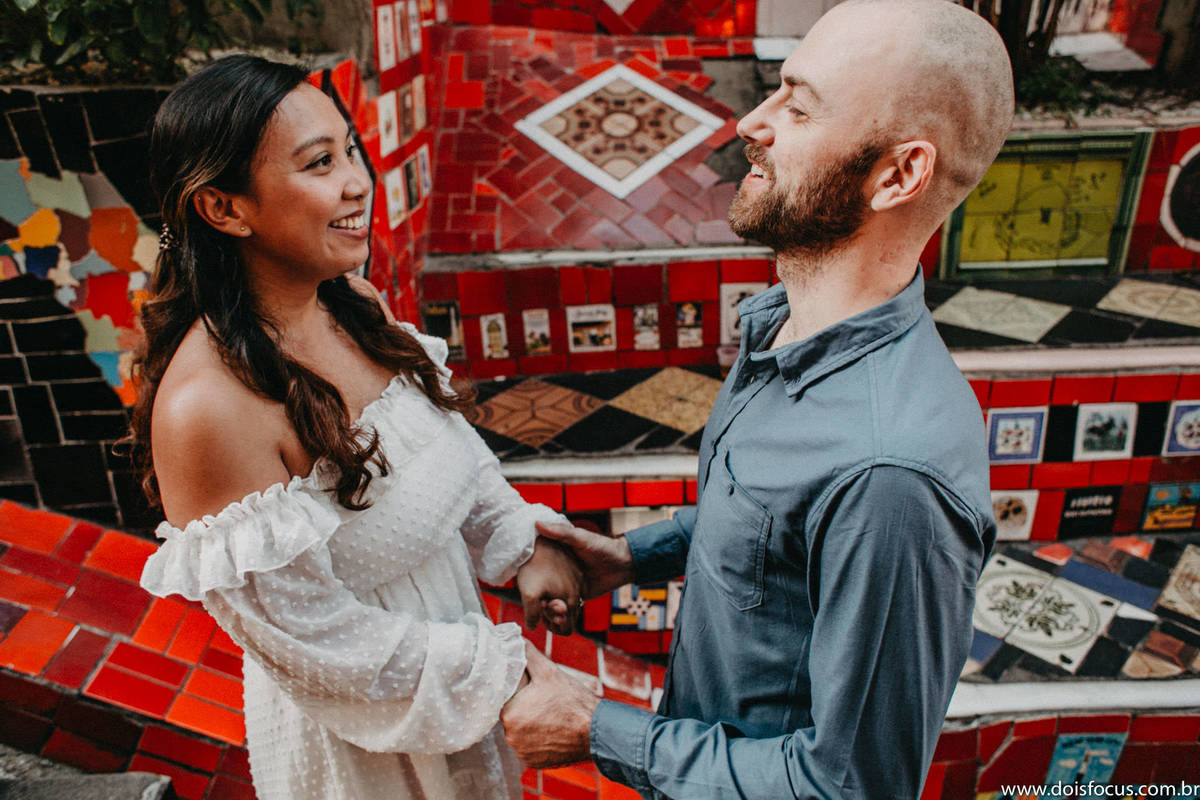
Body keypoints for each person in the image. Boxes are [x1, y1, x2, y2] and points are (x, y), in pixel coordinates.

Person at [500, 1, 1011, 797]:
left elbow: (851, 786)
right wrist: (636, 555)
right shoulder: (784, 327)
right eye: (776, 90)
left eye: (798, 107)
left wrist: (595, 728)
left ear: (899, 175)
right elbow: (787, 526)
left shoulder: (891, 475)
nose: (751, 122)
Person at [128, 55, 581, 799]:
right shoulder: (206, 411)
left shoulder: (349, 300)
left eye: (349, 149)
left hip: (450, 682)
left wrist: (518, 541)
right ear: (224, 208)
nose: (357, 182)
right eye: (318, 164)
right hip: (360, 748)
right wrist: (502, 669)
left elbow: (440, 448)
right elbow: (315, 643)